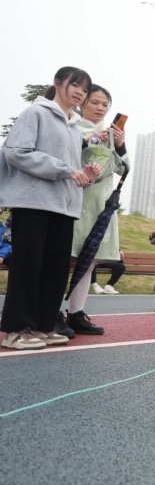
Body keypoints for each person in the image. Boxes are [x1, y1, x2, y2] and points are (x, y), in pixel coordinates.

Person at [0, 66, 95, 350]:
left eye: (85, 89)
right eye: (75, 85)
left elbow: (69, 170)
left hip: (64, 207)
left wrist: (84, 173)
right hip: (33, 203)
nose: (80, 92)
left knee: (54, 270)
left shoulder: (75, 126)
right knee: (28, 267)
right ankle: (16, 330)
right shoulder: (36, 113)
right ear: (57, 83)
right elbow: (16, 152)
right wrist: (65, 170)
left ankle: (42, 326)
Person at [63, 84, 128, 336]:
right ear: (82, 104)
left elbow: (124, 168)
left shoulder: (110, 134)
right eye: (95, 102)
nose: (100, 108)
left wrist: (120, 145)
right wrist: (93, 139)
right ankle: (52, 312)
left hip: (100, 204)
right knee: (65, 257)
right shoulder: (74, 127)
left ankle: (76, 312)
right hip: (76, 199)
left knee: (88, 260)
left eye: (105, 104)